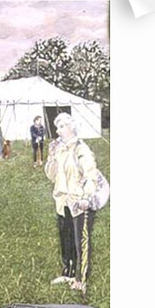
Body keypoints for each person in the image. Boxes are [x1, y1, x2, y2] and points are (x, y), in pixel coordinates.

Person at [44, 112, 101, 294]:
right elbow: (51, 175)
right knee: (65, 237)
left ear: (71, 128)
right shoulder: (60, 149)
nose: (58, 131)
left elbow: (91, 175)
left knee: (80, 241)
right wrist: (51, 156)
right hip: (62, 200)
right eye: (57, 127)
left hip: (78, 200)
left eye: (62, 127)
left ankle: (81, 279)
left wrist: (87, 197)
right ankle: (67, 272)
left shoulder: (81, 149)